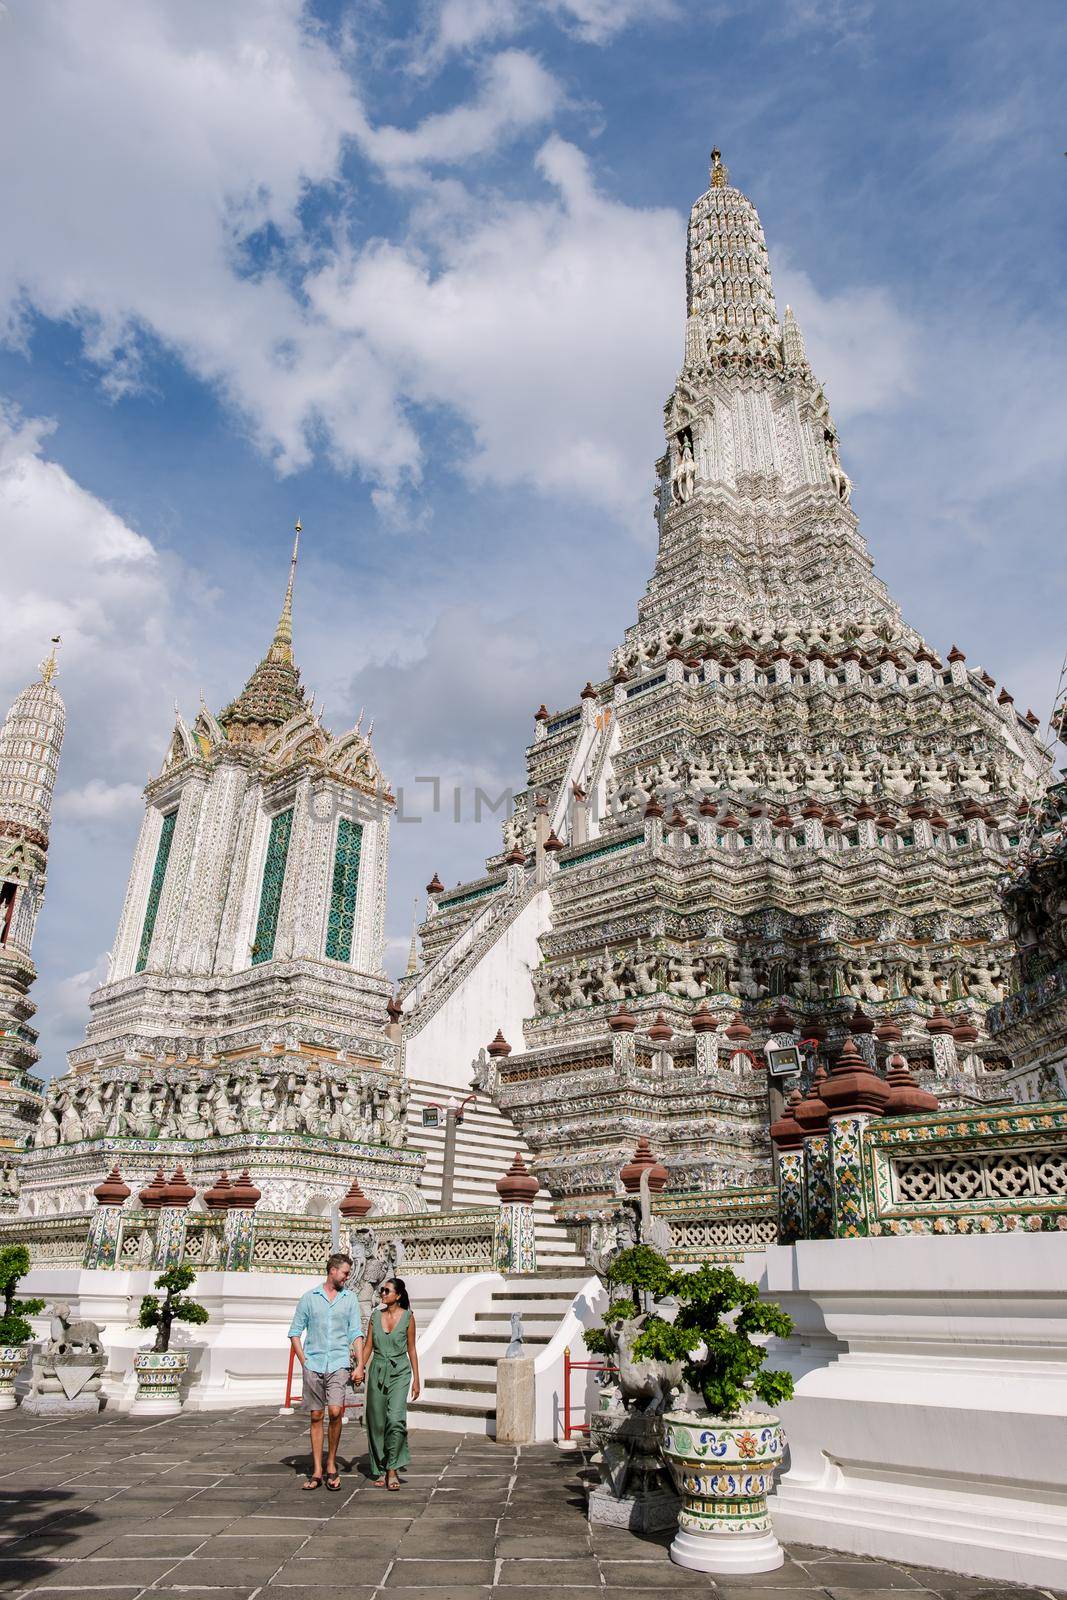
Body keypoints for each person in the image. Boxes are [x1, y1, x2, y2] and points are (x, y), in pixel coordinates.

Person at [288, 1251, 363, 1491]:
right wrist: (304, 1360)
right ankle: (318, 1469)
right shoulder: (310, 1298)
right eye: (345, 1273)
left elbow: (355, 1333)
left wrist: (360, 1363)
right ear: (332, 1270)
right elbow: (295, 1332)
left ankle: (332, 1462)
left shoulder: (349, 1299)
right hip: (315, 1363)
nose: (347, 1278)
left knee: (335, 1411)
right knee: (316, 1415)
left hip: (339, 1362)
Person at [357, 1276, 420, 1490]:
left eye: (386, 1291)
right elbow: (367, 1347)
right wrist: (360, 1367)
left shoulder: (408, 1317)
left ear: (398, 1295)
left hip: (400, 1372)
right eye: (382, 1290)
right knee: (376, 1422)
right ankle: (381, 1468)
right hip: (377, 1370)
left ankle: (393, 1467)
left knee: (395, 1419)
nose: (382, 1293)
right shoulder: (376, 1316)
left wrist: (417, 1379)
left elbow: (412, 1348)